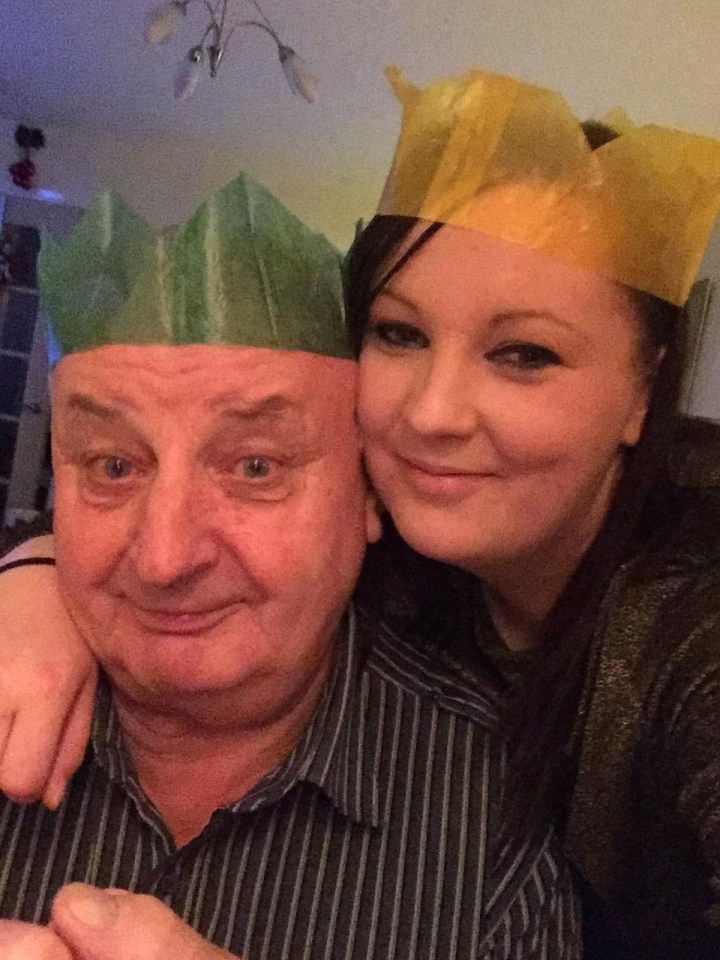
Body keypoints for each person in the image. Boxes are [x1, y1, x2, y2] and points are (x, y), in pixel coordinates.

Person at [2, 64, 720, 958]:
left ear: (642, 393)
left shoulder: (693, 643)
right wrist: (35, 573)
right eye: (400, 333)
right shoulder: (403, 562)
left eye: (526, 353)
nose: (429, 414)